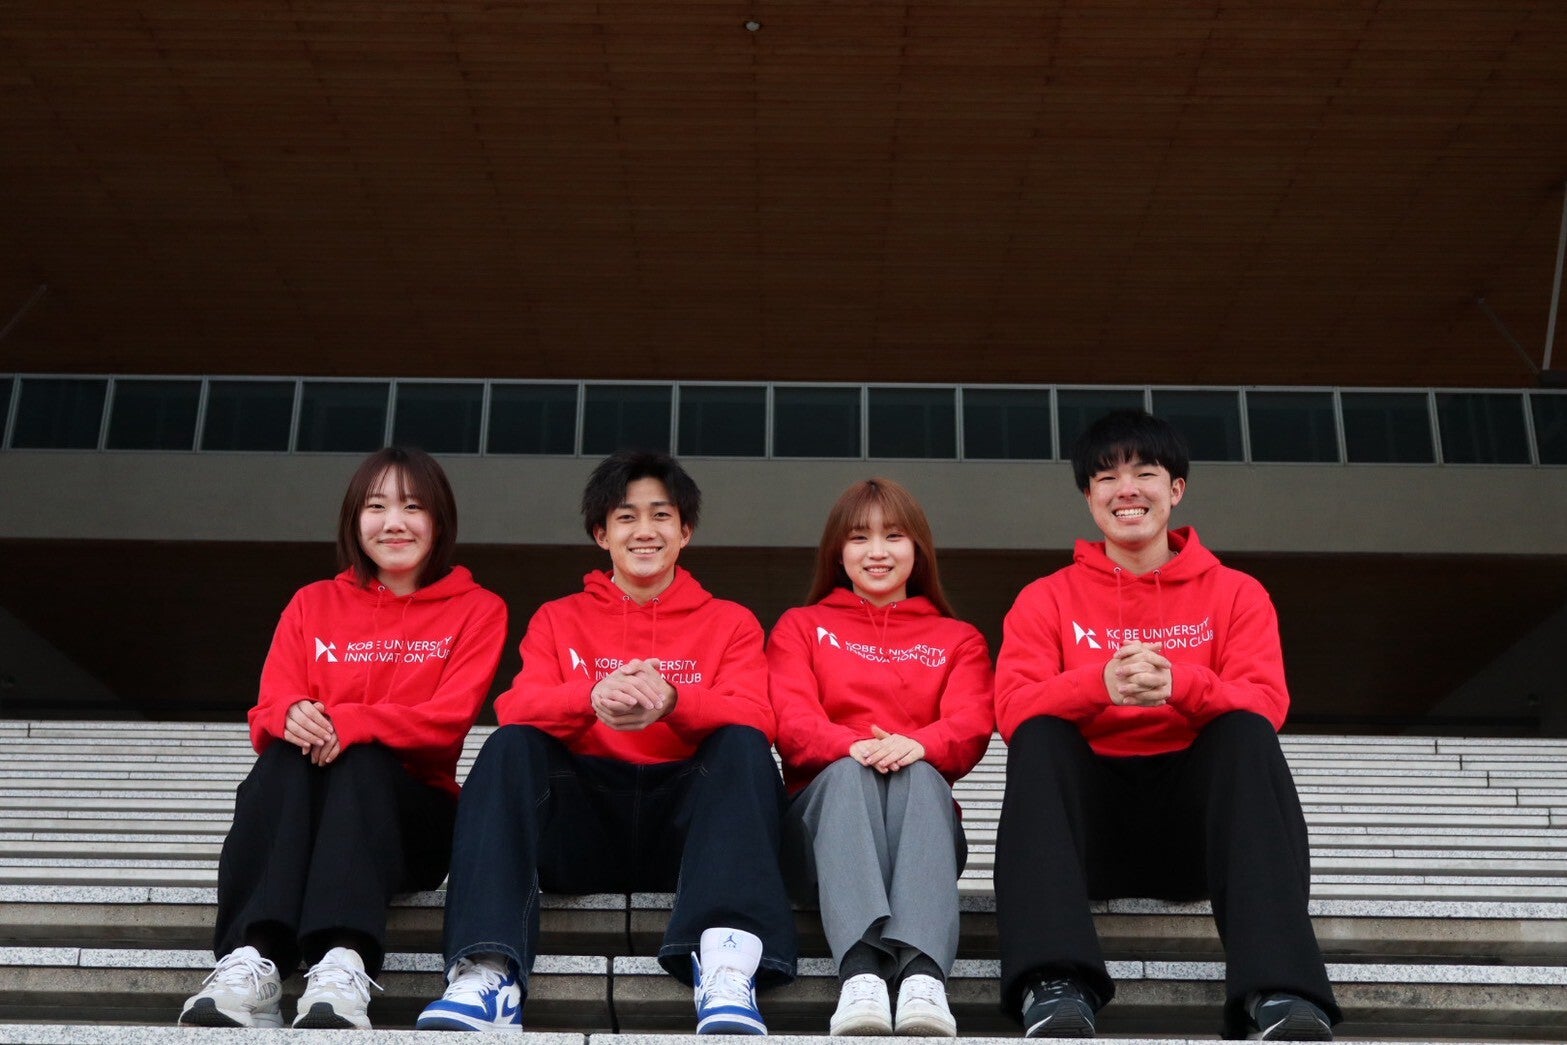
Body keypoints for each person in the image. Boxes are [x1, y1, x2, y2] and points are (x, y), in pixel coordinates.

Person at [417, 449, 796, 1034]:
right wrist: (589, 697)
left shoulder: (731, 622)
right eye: (625, 517)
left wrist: (674, 701)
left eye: (661, 515)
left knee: (744, 747)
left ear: (685, 532)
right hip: (583, 825)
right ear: (601, 534)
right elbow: (515, 706)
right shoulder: (557, 618)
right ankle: (488, 970)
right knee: (510, 745)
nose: (645, 531)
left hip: (687, 835)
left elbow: (757, 715)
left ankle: (726, 966)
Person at [993, 410, 1340, 1041]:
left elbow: (1266, 702)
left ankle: (1281, 990)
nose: (1126, 490)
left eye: (1145, 473)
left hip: (1199, 837)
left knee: (1245, 732)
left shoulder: (1237, 593)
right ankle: (1055, 984)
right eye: (1106, 478)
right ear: (1089, 497)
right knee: (1040, 733)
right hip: (1087, 840)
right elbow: (1012, 707)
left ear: (1176, 489)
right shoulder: (1046, 597)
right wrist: (1098, 685)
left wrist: (1181, 685)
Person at [178, 447, 508, 1030]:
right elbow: (268, 709)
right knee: (284, 754)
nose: (394, 523)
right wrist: (290, 715)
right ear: (355, 521)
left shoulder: (478, 609)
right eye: (376, 507)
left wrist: (353, 722)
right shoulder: (313, 602)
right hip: (309, 818)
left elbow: (448, 720)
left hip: (410, 823)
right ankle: (254, 961)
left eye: (413, 507)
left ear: (440, 521)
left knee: (362, 757)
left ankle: (343, 961)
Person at [769, 478, 994, 1038]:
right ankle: (860, 973)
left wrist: (921, 744)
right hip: (818, 839)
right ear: (837, 552)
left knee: (919, 772)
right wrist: (853, 746)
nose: (877, 551)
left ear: (917, 548)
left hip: (922, 834)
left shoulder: (959, 639)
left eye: (893, 536)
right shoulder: (801, 627)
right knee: (850, 773)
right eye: (859, 537)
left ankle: (923, 977)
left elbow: (971, 723)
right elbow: (790, 721)